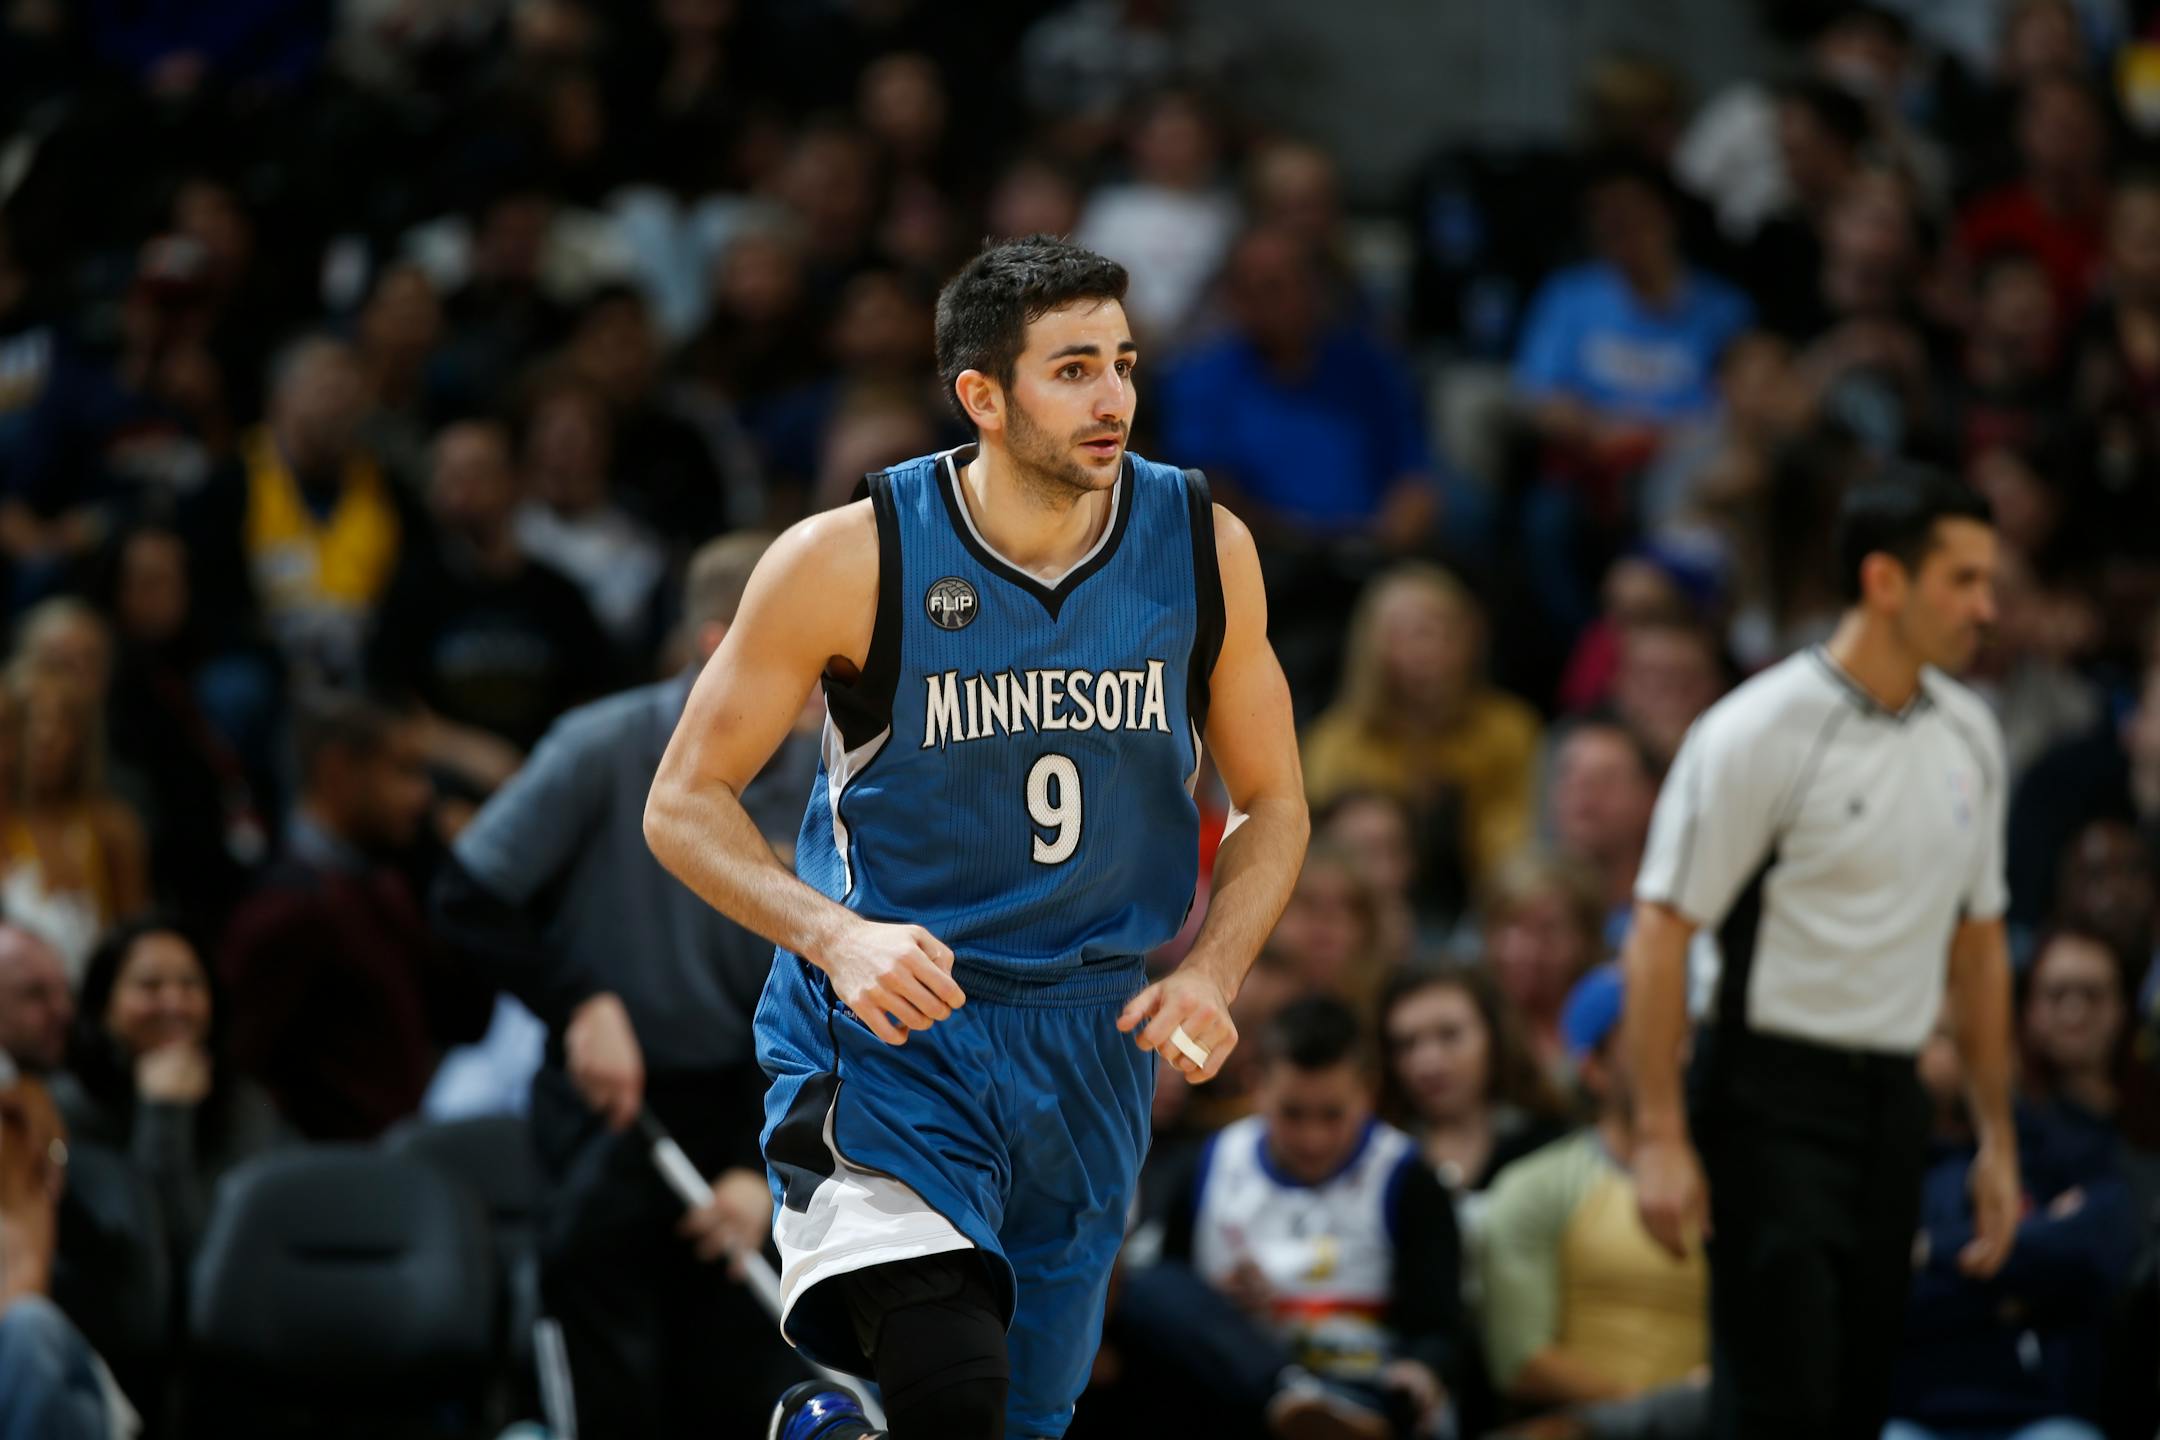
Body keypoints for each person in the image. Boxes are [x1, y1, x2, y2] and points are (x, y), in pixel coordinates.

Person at [643, 235, 1309, 1440]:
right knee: (954, 1397)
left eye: (1122, 362)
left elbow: (1273, 800)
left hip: (1095, 1036)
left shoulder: (1205, 549)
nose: (1113, 398)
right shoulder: (848, 558)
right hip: (900, 1026)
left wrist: (1214, 971)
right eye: (1072, 370)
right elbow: (682, 801)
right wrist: (835, 938)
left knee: (1021, 1423)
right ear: (983, 397)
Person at [1622, 467, 2021, 1439]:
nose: (1988, 607)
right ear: (1886, 582)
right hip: (1765, 1096)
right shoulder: (1760, 729)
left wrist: (1996, 1135)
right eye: (1964, 581)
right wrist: (1663, 1133)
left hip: (1893, 1097)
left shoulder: (1972, 732)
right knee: (1779, 1401)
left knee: (1855, 1398)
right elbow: (1660, 934)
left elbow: (1978, 948)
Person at [430, 532, 819, 1438]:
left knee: (737, 1379)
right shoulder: (603, 746)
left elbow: (838, 994)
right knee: (602, 1328)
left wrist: (770, 1164)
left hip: (761, 1105)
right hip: (616, 1100)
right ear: (721, 645)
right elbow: (466, 897)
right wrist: (580, 1002)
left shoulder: (833, 774)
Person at [1123, 996, 1462, 1440]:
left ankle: (1312, 1403)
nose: (1312, 1139)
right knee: (1149, 1288)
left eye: (1332, 1115)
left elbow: (1437, 1324)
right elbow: (1166, 1292)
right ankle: (1289, 1393)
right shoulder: (1212, 1163)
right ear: (1256, 1085)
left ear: (1368, 1092)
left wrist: (1421, 1369)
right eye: (1292, 1113)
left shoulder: (1407, 1177)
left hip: (1364, 1392)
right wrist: (1214, 1299)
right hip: (1238, 1392)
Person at [219, 690, 490, 1140]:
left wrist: (461, 869)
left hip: (394, 1165)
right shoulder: (284, 909)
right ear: (338, 771)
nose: (424, 795)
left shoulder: (384, 886)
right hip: (324, 1186)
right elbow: (243, 1071)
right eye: (404, 771)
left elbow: (466, 1019)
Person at [1479, 965, 1709, 1436]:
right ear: (1594, 1070)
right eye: (1656, 1035)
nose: (1682, 1054)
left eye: (1687, 1033)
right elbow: (1521, 1360)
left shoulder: (1743, 1187)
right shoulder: (1536, 1188)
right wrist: (1658, 1411)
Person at [1884, 1015, 2134, 1440]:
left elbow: (2098, 1251)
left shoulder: (2063, 1148)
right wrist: (2029, 1258)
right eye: (1946, 1037)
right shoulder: (1895, 1167)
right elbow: (1883, 1286)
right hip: (1917, 1414)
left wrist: (1929, 1250)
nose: (1972, 1051)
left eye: (1988, 1034)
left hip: (2041, 1415)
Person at [1303, 563, 1543, 918]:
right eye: (1404, 633)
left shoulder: (1508, 729)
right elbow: (1325, 858)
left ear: (1469, 640)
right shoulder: (1336, 741)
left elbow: (1513, 848)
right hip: (1360, 917)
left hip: (1480, 913)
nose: (1424, 648)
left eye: (1438, 631)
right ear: (1371, 646)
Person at [49, 919, 283, 1267]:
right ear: (103, 1005)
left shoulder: (241, 1102)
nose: (174, 1003)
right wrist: (164, 1113)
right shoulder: (63, 1107)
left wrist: (168, 1112)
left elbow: (210, 1254)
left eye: (190, 985)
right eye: (149, 986)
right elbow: (143, 1258)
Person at [1376, 961, 1567, 1201]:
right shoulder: (1379, 1158)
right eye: (1406, 1044)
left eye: (1449, 1035)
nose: (1427, 1064)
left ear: (1494, 1037)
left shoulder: (1549, 1146)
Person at [6, 673, 148, 983]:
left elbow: (134, 942)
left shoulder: (112, 827)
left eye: (63, 723)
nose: (45, 736)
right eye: (30, 722)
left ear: (83, 740)